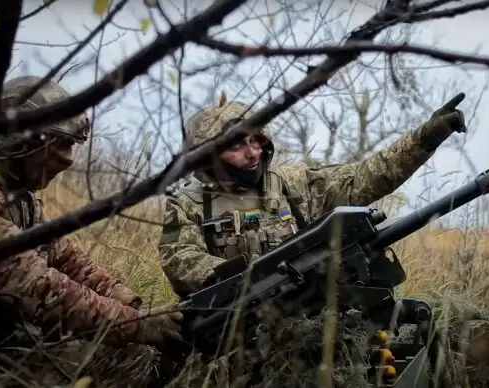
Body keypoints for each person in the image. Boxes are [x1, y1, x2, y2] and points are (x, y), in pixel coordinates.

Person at [0, 75, 184, 387]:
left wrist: (132, 303)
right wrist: (137, 325)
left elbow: (69, 260)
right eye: (60, 144)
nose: (67, 159)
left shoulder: (18, 197)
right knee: (110, 360)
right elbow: (39, 288)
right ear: (20, 139)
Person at [158, 91, 467, 297]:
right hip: (240, 329)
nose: (252, 154)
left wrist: (427, 137)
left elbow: (366, 178)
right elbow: (181, 260)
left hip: (309, 313)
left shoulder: (293, 183)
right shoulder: (189, 204)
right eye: (237, 146)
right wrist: (249, 282)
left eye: (255, 141)